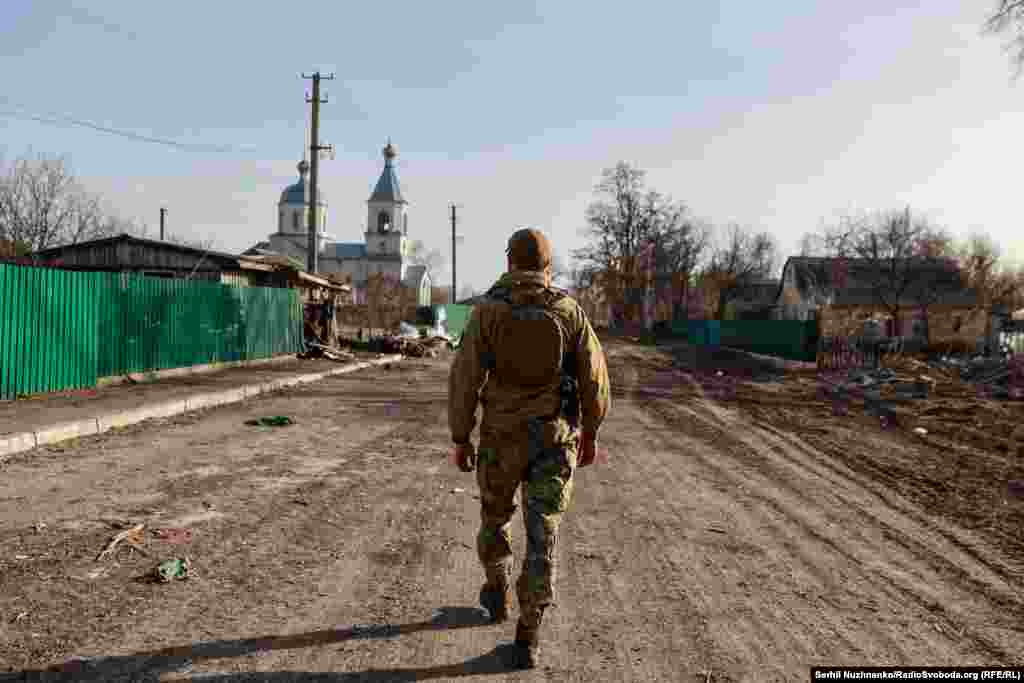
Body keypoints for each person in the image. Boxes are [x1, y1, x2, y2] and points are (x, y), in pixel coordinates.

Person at [448, 227, 611, 669]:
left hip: (501, 438)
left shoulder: (486, 313)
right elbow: (594, 381)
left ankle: (496, 588)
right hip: (554, 443)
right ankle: (528, 635)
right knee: (544, 537)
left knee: (494, 517)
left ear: (509, 264)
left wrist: (461, 437)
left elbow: (464, 377)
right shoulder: (569, 312)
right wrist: (591, 433)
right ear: (546, 266)